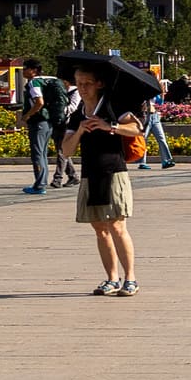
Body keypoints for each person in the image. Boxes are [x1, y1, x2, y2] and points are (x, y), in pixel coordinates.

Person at [69, 65, 142, 295]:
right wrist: (80, 131)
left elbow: (137, 128)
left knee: (117, 225)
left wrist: (109, 126)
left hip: (114, 171)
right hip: (90, 174)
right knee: (100, 228)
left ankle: (130, 278)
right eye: (79, 83)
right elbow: (66, 150)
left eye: (87, 83)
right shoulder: (78, 113)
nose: (82, 88)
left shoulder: (112, 104)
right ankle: (112, 278)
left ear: (99, 83)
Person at [20, 59, 63, 195]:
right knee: (42, 153)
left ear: (33, 70)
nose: (23, 70)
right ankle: (41, 182)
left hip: (38, 122)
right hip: (48, 121)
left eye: (25, 68)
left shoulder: (34, 82)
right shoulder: (48, 80)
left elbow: (39, 102)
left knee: (37, 154)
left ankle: (39, 185)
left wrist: (27, 115)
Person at [135, 92, 176, 170]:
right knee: (143, 139)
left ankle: (166, 160)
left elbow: (159, 102)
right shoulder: (141, 90)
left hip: (154, 116)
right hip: (145, 115)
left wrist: (162, 95)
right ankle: (142, 162)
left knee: (161, 138)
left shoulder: (154, 91)